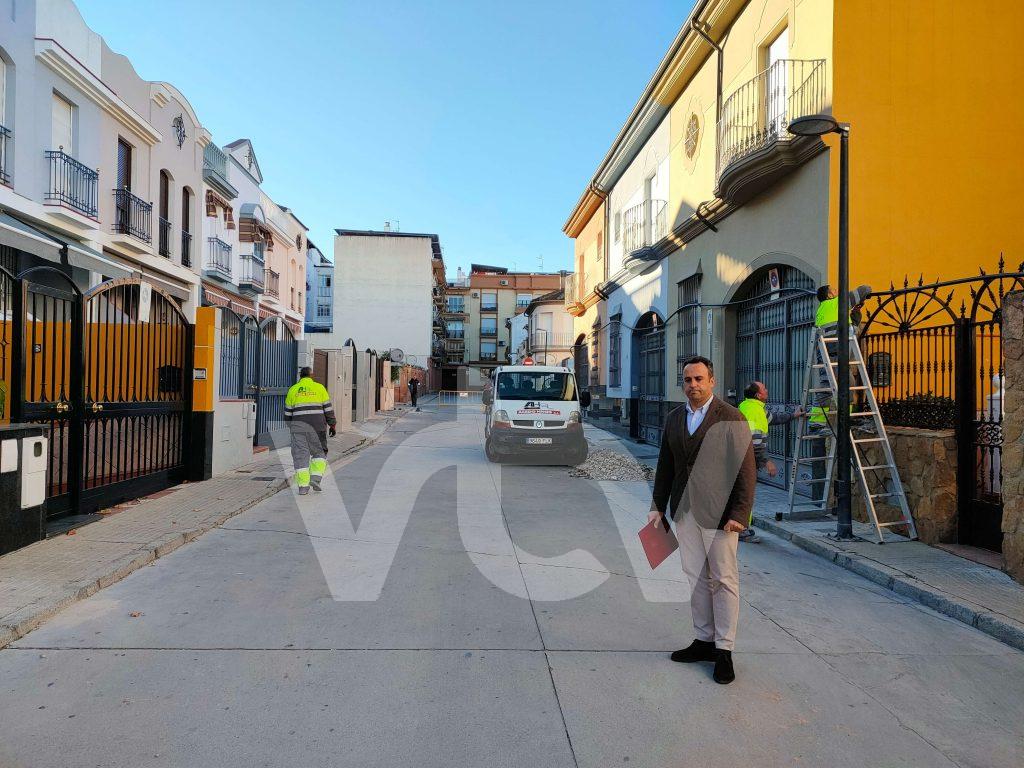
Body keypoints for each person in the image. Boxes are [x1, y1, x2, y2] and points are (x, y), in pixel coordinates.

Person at [648, 355, 756, 685]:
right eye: (688, 380)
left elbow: (746, 469)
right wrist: (657, 506)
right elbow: (666, 465)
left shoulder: (732, 417)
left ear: (712, 382)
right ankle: (703, 640)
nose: (693, 385)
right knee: (695, 578)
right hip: (685, 510)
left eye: (699, 379)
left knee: (724, 580)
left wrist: (740, 514)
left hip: (721, 515)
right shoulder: (674, 418)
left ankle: (724, 650)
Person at [737, 381, 805, 542]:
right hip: (745, 460)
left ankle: (740, 526)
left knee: (742, 493)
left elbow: (772, 418)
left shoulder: (748, 406)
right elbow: (754, 441)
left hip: (740, 458)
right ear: (758, 395)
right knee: (745, 494)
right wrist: (766, 461)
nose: (767, 390)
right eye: (764, 389)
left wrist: (793, 415)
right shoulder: (754, 411)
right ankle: (742, 529)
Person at [284, 367, 336, 496]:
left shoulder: (293, 390)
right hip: (318, 427)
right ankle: (315, 479)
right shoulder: (320, 388)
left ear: (300, 376)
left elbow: (287, 413)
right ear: (311, 376)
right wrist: (332, 425)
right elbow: (328, 409)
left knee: (300, 456)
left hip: (299, 429)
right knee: (319, 453)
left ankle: (303, 487)